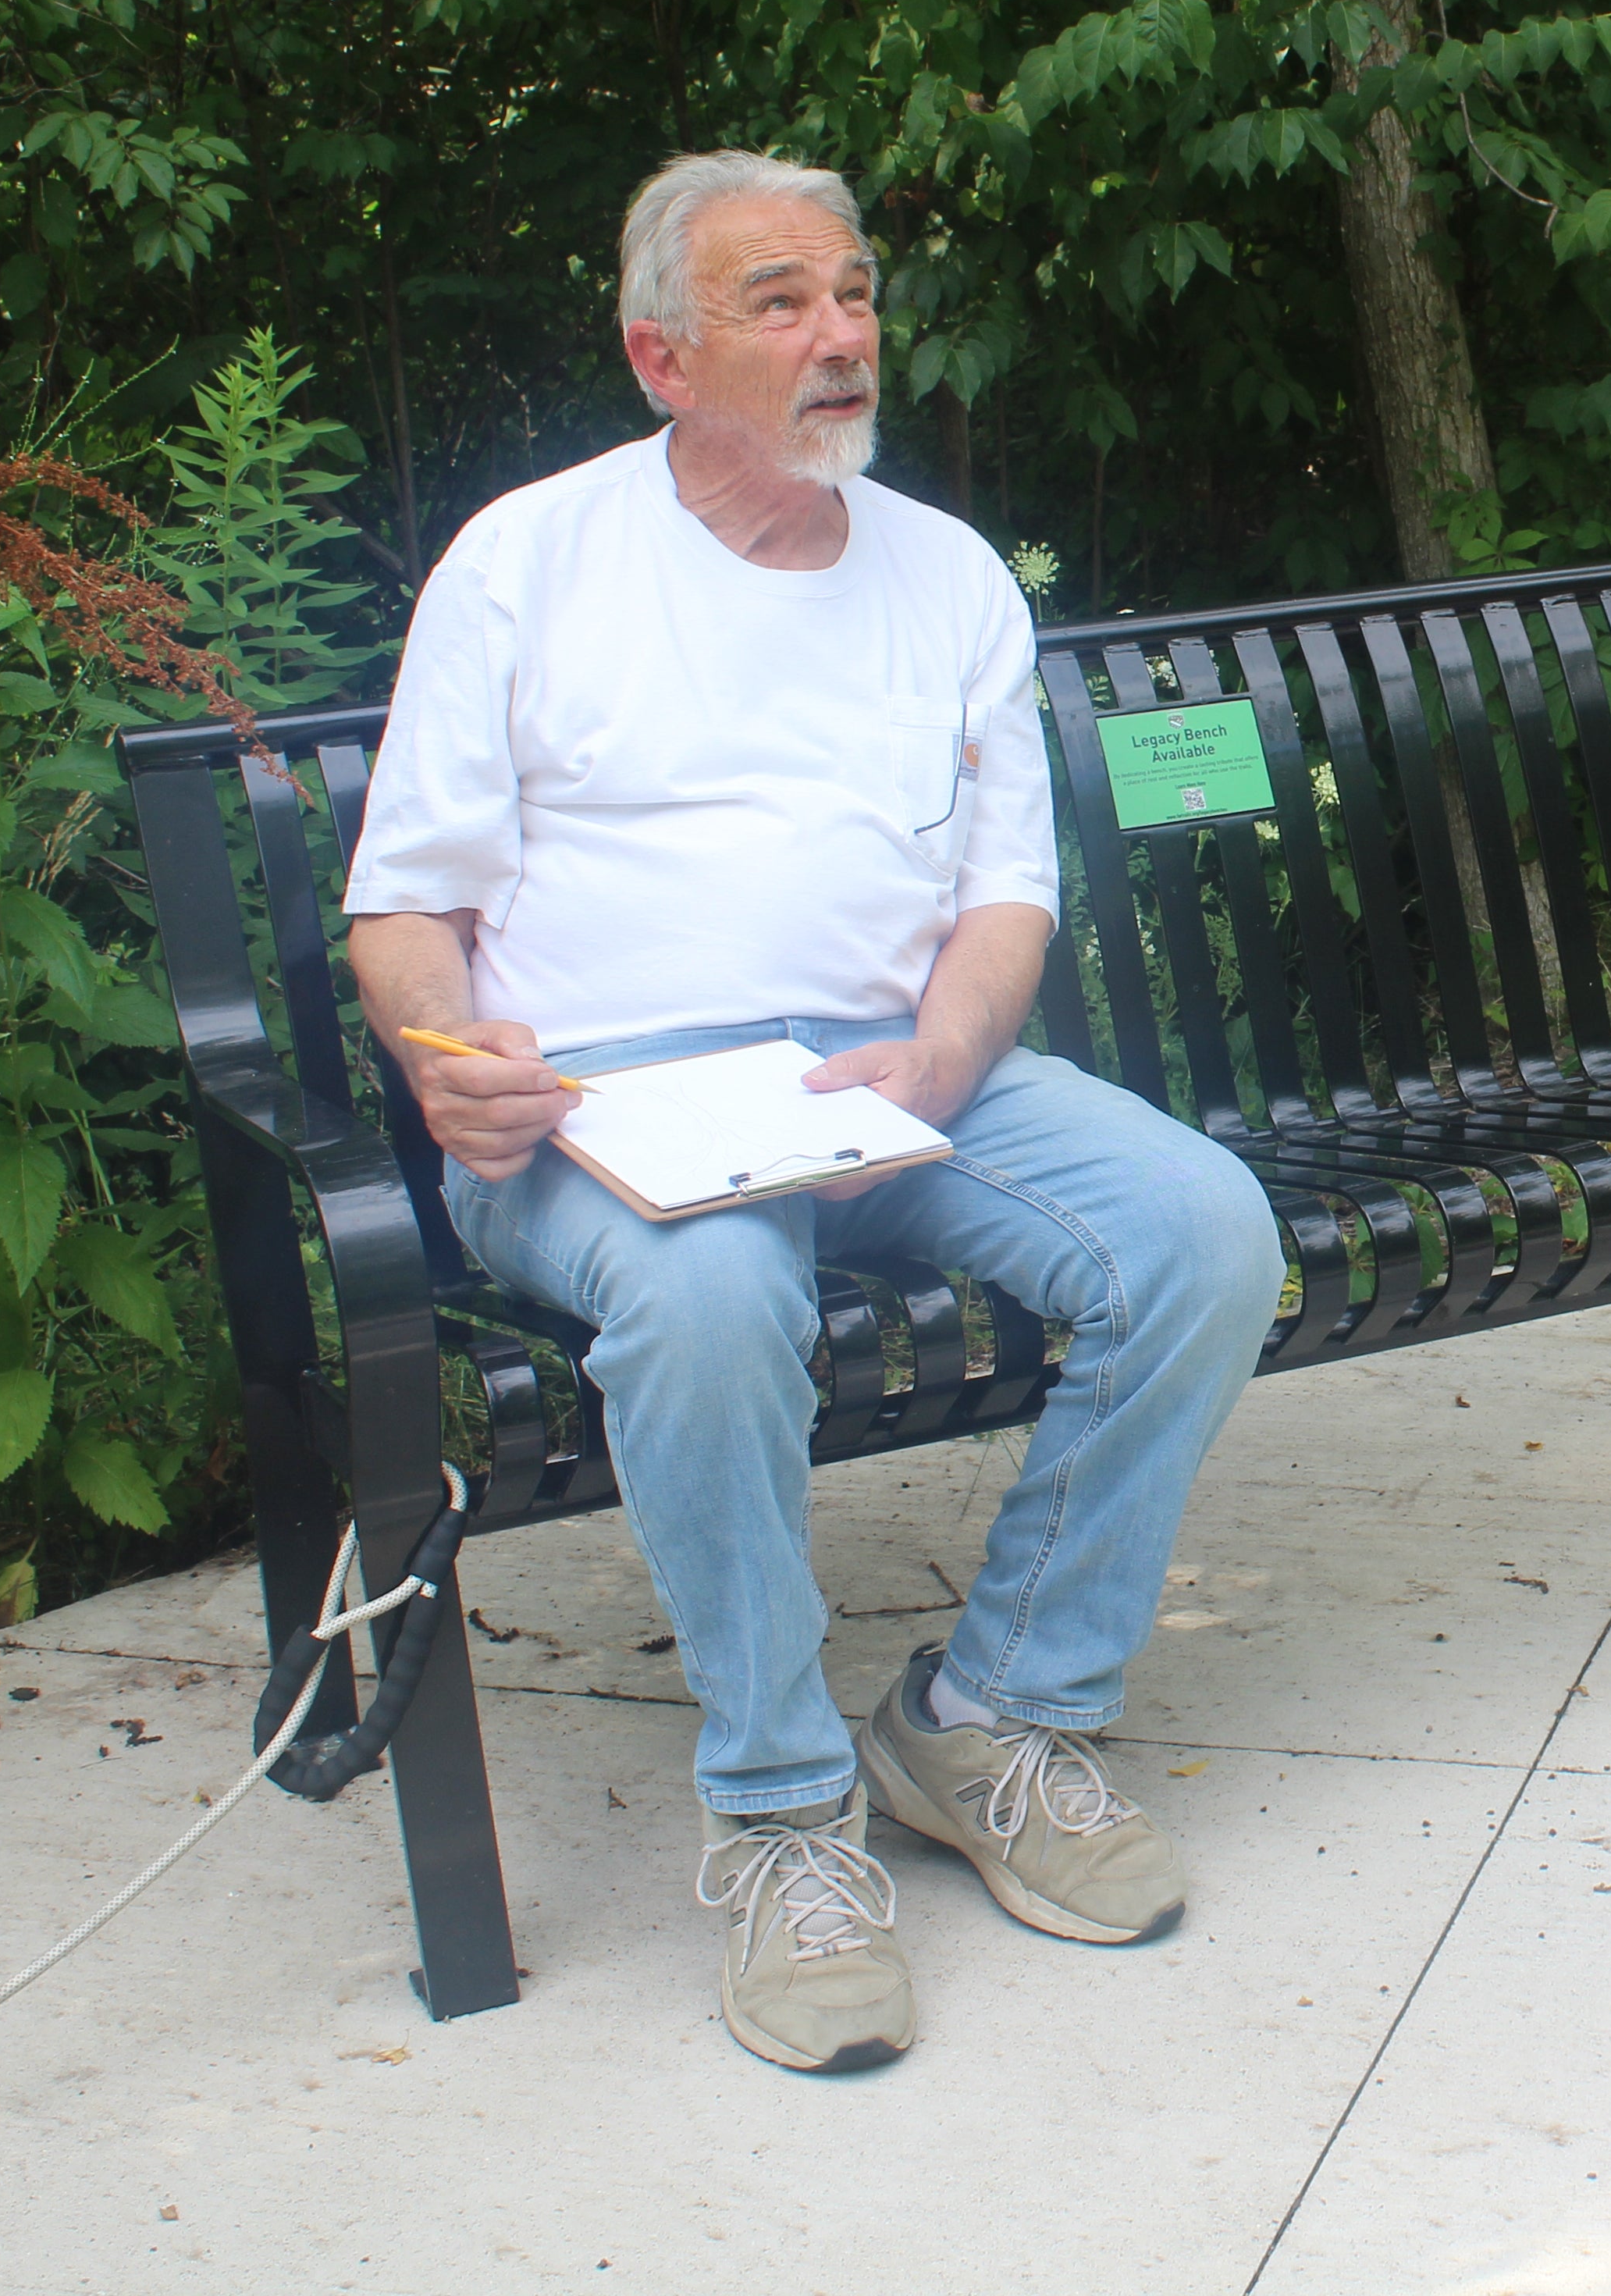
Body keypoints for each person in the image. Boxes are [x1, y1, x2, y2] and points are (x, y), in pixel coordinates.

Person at [342, 150, 1286, 2074]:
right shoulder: (529, 562)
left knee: (1202, 1232)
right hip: (610, 1108)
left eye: (852, 294)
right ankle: (783, 1823)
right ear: (661, 356)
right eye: (780, 302)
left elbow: (1005, 893)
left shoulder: (944, 577)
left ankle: (992, 1718)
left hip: (892, 1071)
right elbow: (402, 911)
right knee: (703, 1303)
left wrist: (944, 1057)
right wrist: (458, 1067)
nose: (840, 335)